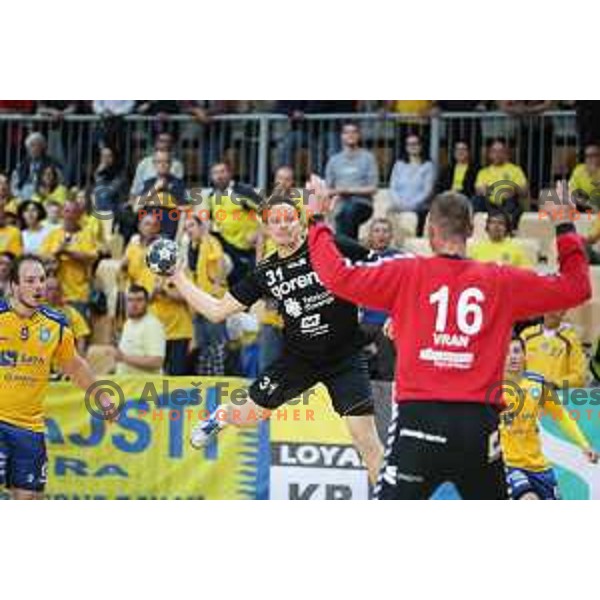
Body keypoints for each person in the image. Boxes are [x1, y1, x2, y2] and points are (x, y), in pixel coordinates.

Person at [307, 178, 591, 499]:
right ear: (472, 230)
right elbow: (577, 287)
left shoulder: (407, 273)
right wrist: (565, 224)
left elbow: (336, 276)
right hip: (479, 427)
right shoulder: (500, 280)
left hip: (419, 422)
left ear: (430, 232)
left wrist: (317, 221)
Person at [169, 192, 384, 484]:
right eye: (275, 221)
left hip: (345, 357)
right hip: (299, 361)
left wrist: (395, 312)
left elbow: (384, 270)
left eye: (289, 219)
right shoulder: (266, 273)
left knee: (367, 442)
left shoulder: (329, 245)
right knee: (249, 417)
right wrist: (180, 278)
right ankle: (222, 415)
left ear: (300, 222)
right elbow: (218, 312)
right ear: (267, 229)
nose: (283, 226)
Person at [0, 255, 116, 499]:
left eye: (41, 279)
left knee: (30, 498)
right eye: (30, 280)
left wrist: (101, 397)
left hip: (29, 427)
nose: (39, 286)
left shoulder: (56, 325)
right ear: (13, 286)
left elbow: (73, 366)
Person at [500, 336, 597, 500]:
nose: (512, 357)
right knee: (529, 499)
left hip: (539, 466)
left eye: (517, 351)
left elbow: (561, 416)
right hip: (510, 465)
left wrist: (584, 444)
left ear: (525, 355)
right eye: (507, 353)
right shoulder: (492, 387)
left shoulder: (536, 383)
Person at [122, 214, 192, 376]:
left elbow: (188, 296)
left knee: (175, 380)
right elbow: (131, 287)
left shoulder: (170, 254)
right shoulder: (132, 250)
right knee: (152, 378)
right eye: (147, 224)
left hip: (176, 329)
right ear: (140, 226)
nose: (150, 228)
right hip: (151, 329)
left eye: (154, 225)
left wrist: (165, 292)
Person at [39, 199, 98, 323]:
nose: (70, 215)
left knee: (78, 333)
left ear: (80, 215)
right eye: (67, 211)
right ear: (61, 213)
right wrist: (57, 252)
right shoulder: (52, 235)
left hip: (79, 294)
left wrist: (67, 252)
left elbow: (91, 257)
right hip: (54, 294)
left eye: (74, 212)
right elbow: (42, 258)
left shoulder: (87, 234)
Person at [184, 215, 229, 375]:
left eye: (192, 226)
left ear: (201, 227)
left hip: (212, 300)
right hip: (198, 304)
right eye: (186, 227)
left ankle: (219, 380)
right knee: (202, 345)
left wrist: (217, 288)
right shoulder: (190, 247)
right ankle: (205, 381)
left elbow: (221, 262)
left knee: (216, 344)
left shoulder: (210, 241)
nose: (188, 230)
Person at [208, 162, 262, 286]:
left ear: (230, 173)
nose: (219, 176)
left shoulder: (242, 191)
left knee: (252, 287)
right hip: (228, 249)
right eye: (215, 173)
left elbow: (268, 211)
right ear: (211, 177)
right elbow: (210, 222)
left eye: (222, 172)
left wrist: (259, 233)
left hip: (248, 249)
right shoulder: (212, 196)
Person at [360, 218, 399, 381]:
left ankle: (387, 387)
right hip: (364, 320)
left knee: (386, 338)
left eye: (385, 231)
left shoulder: (400, 259)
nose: (381, 235)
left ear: (391, 235)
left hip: (389, 320)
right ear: (370, 235)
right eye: (377, 231)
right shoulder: (361, 258)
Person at [324, 122, 378, 239]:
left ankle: (345, 251)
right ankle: (351, 251)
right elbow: (327, 190)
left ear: (359, 135)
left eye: (354, 132)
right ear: (341, 136)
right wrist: (339, 191)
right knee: (342, 213)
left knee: (347, 212)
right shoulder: (334, 160)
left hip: (362, 204)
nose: (350, 135)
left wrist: (349, 190)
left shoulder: (368, 157)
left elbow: (373, 188)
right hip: (340, 204)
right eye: (347, 132)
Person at [520, 310, 587, 389]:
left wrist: (556, 384)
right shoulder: (526, 335)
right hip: (528, 394)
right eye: (550, 306)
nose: (552, 311)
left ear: (564, 311)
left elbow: (579, 377)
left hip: (557, 396)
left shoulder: (571, 340)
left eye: (558, 308)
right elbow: (514, 368)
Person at [110, 285, 166, 375]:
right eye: (130, 300)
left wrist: (124, 358)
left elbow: (157, 361)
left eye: (139, 300)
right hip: (128, 385)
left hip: (145, 387)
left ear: (147, 303)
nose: (134, 304)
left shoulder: (152, 325)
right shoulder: (128, 323)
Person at [388, 133, 436, 236]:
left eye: (415, 143)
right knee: (388, 214)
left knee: (419, 215)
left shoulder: (428, 166)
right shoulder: (399, 164)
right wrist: (398, 203)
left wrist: (410, 206)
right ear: (406, 147)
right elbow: (393, 187)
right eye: (409, 144)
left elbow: (427, 191)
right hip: (399, 205)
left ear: (421, 146)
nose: (412, 146)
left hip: (419, 206)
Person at [474, 139, 528, 228]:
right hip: (489, 202)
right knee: (476, 200)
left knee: (511, 202)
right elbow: (478, 189)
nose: (497, 154)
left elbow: (524, 191)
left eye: (500, 151)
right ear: (490, 154)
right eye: (494, 151)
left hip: (507, 201)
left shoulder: (515, 170)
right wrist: (483, 190)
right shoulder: (483, 172)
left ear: (505, 153)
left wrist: (515, 188)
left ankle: (507, 229)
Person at [139, 149, 189, 240]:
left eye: (166, 162)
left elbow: (184, 210)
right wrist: (155, 188)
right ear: (154, 164)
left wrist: (178, 236)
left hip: (167, 232)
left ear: (170, 164)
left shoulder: (178, 184)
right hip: (148, 233)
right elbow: (138, 205)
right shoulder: (148, 183)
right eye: (159, 162)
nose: (162, 165)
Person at [44, 276, 90, 354]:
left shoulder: (71, 312)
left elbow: (81, 337)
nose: (54, 292)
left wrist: (80, 358)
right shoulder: (35, 310)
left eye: (57, 289)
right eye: (50, 289)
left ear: (61, 291)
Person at [10, 132, 62, 201]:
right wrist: (18, 196)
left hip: (44, 195)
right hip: (22, 196)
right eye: (31, 145)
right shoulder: (21, 165)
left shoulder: (52, 163)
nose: (34, 148)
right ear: (28, 148)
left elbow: (60, 181)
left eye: (38, 145)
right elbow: (14, 185)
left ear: (42, 147)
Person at [130, 132, 185, 197]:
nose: (164, 143)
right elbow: (135, 194)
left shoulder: (177, 166)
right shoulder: (144, 166)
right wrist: (155, 188)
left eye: (166, 162)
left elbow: (179, 196)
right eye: (161, 140)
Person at [568, 143, 600, 210]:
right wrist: (588, 204)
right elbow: (571, 192)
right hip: (586, 207)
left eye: (594, 155)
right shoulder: (579, 170)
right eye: (587, 156)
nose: (590, 159)